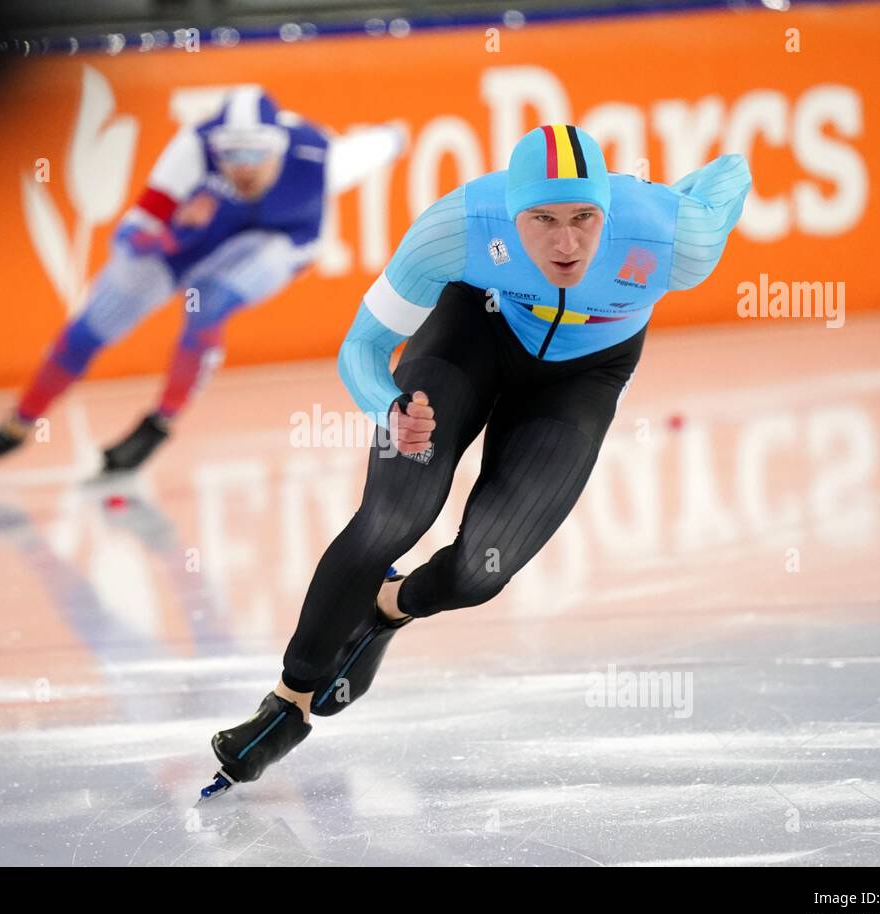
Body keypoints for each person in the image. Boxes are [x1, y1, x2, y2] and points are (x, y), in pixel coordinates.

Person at [202, 123, 752, 797]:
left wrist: (671, 194)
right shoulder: (457, 226)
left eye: (585, 218)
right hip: (475, 332)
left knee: (478, 573)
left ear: (609, 208)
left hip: (584, 376)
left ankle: (389, 607)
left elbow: (729, 173)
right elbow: (361, 349)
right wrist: (389, 411)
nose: (566, 243)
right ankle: (285, 705)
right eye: (542, 220)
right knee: (392, 516)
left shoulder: (676, 238)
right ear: (509, 211)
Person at [0, 86, 404, 476]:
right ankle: (16, 428)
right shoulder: (191, 150)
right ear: (214, 149)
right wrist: (170, 231)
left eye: (254, 154)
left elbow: (386, 141)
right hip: (186, 245)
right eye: (230, 155)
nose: (242, 167)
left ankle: (160, 422)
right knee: (87, 331)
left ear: (278, 146)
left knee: (209, 303)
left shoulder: (322, 158)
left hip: (277, 241)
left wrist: (396, 135)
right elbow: (134, 231)